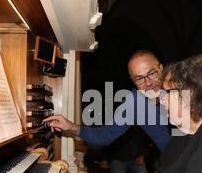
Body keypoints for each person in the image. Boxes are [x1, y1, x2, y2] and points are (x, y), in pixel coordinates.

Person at [43, 50, 171, 152]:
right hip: (175, 163)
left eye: (152, 73)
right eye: (139, 78)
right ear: (132, 80)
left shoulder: (182, 86)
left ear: (160, 68)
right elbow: (105, 135)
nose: (148, 82)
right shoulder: (134, 102)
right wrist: (71, 126)